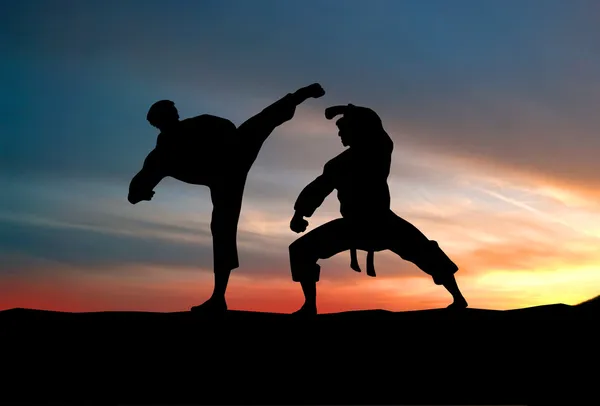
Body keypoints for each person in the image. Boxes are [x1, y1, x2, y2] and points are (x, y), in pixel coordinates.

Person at [128, 83, 326, 314]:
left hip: (235, 152)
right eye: (167, 116)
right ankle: (218, 297)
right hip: (224, 179)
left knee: (263, 121)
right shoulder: (163, 154)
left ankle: (301, 94)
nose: (174, 117)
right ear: (158, 123)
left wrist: (229, 145)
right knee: (222, 230)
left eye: (174, 113)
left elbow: (228, 126)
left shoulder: (198, 124)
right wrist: (140, 194)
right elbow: (140, 183)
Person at [288, 103, 469, 316]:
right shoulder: (338, 164)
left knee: (426, 251)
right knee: (300, 250)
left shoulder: (378, 151)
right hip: (353, 226)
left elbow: (374, 124)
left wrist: (344, 109)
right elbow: (318, 188)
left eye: (343, 130)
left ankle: (458, 298)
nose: (340, 135)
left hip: (382, 222)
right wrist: (299, 213)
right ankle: (310, 305)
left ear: (357, 129)